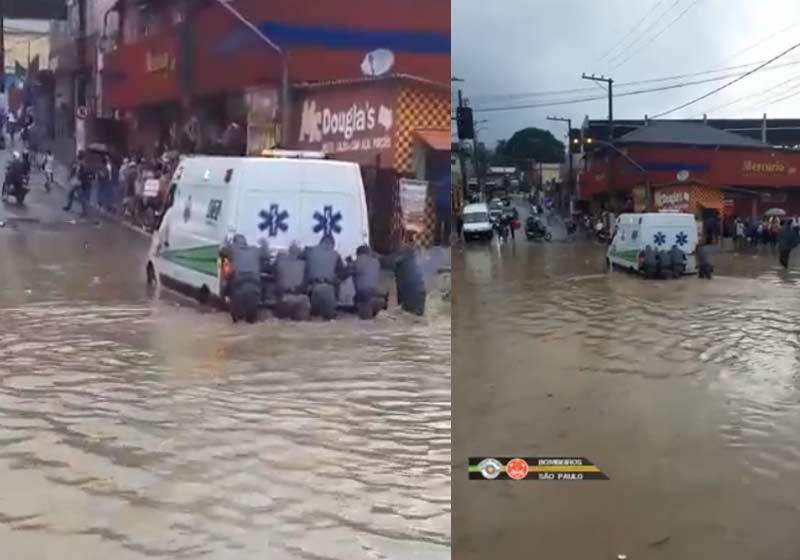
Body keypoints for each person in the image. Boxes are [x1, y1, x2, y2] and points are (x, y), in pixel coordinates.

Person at [221, 234, 265, 323]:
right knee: (251, 322)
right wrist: (264, 243)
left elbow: (222, 252)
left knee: (237, 323)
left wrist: (225, 243)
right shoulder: (255, 250)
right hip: (255, 290)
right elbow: (266, 253)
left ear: (234, 243)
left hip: (238, 290)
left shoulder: (232, 249)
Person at [304, 234, 347, 320]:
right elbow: (343, 274)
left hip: (312, 290)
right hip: (329, 291)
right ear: (331, 244)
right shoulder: (335, 255)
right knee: (329, 320)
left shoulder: (309, 251)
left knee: (313, 319)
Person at [273, 242, 311, 321]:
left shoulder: (303, 265)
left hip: (295, 296)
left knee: (303, 302)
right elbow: (277, 284)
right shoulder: (281, 263)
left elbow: (305, 285)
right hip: (286, 296)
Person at [350, 244, 388, 320]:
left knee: (365, 325)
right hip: (381, 298)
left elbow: (344, 273)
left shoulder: (357, 261)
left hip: (365, 298)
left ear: (358, 254)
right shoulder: (376, 262)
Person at [394, 243, 426, 316]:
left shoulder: (400, 264)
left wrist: (400, 302)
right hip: (421, 296)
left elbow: (399, 285)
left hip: (410, 299)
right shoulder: (417, 261)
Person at [63, 152, 91, 216]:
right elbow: (74, 170)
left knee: (78, 196)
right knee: (72, 194)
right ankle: (69, 207)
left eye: (79, 155)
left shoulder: (82, 164)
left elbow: (82, 173)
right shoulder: (79, 163)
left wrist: (75, 176)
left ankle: (84, 211)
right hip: (76, 181)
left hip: (78, 182)